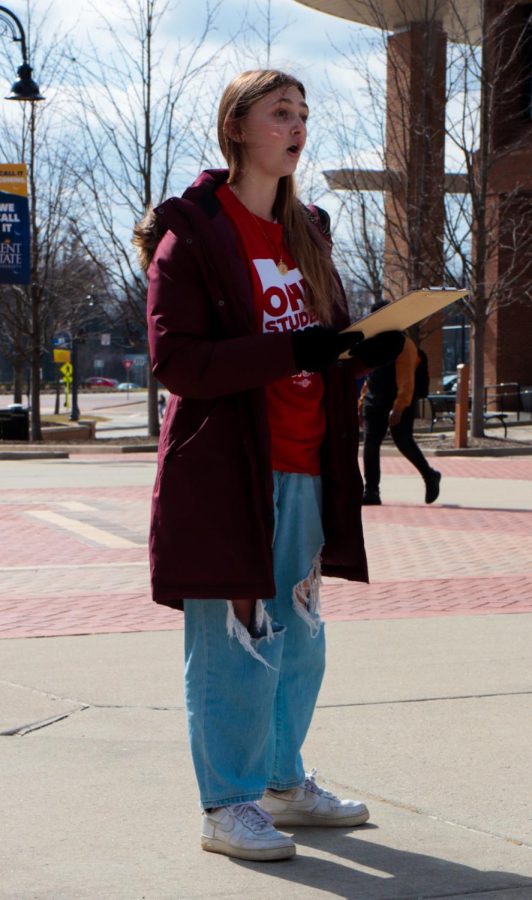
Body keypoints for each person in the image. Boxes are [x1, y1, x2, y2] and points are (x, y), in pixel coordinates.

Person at [133, 69, 404, 863]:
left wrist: (362, 354)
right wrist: (294, 348)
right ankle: (228, 804)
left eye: (303, 113)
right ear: (238, 127)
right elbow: (177, 360)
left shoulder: (308, 232)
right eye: (280, 112)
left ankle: (283, 783)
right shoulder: (195, 235)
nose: (297, 126)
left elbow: (320, 354)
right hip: (227, 477)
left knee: (300, 639)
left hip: (306, 471)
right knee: (235, 642)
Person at [359, 308, 441, 506]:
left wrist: (399, 407)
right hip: (374, 400)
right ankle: (371, 491)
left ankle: (430, 476)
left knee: (404, 442)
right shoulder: (372, 339)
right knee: (370, 445)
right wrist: (361, 402)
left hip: (396, 401)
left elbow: (407, 381)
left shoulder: (404, 345)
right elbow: (369, 376)